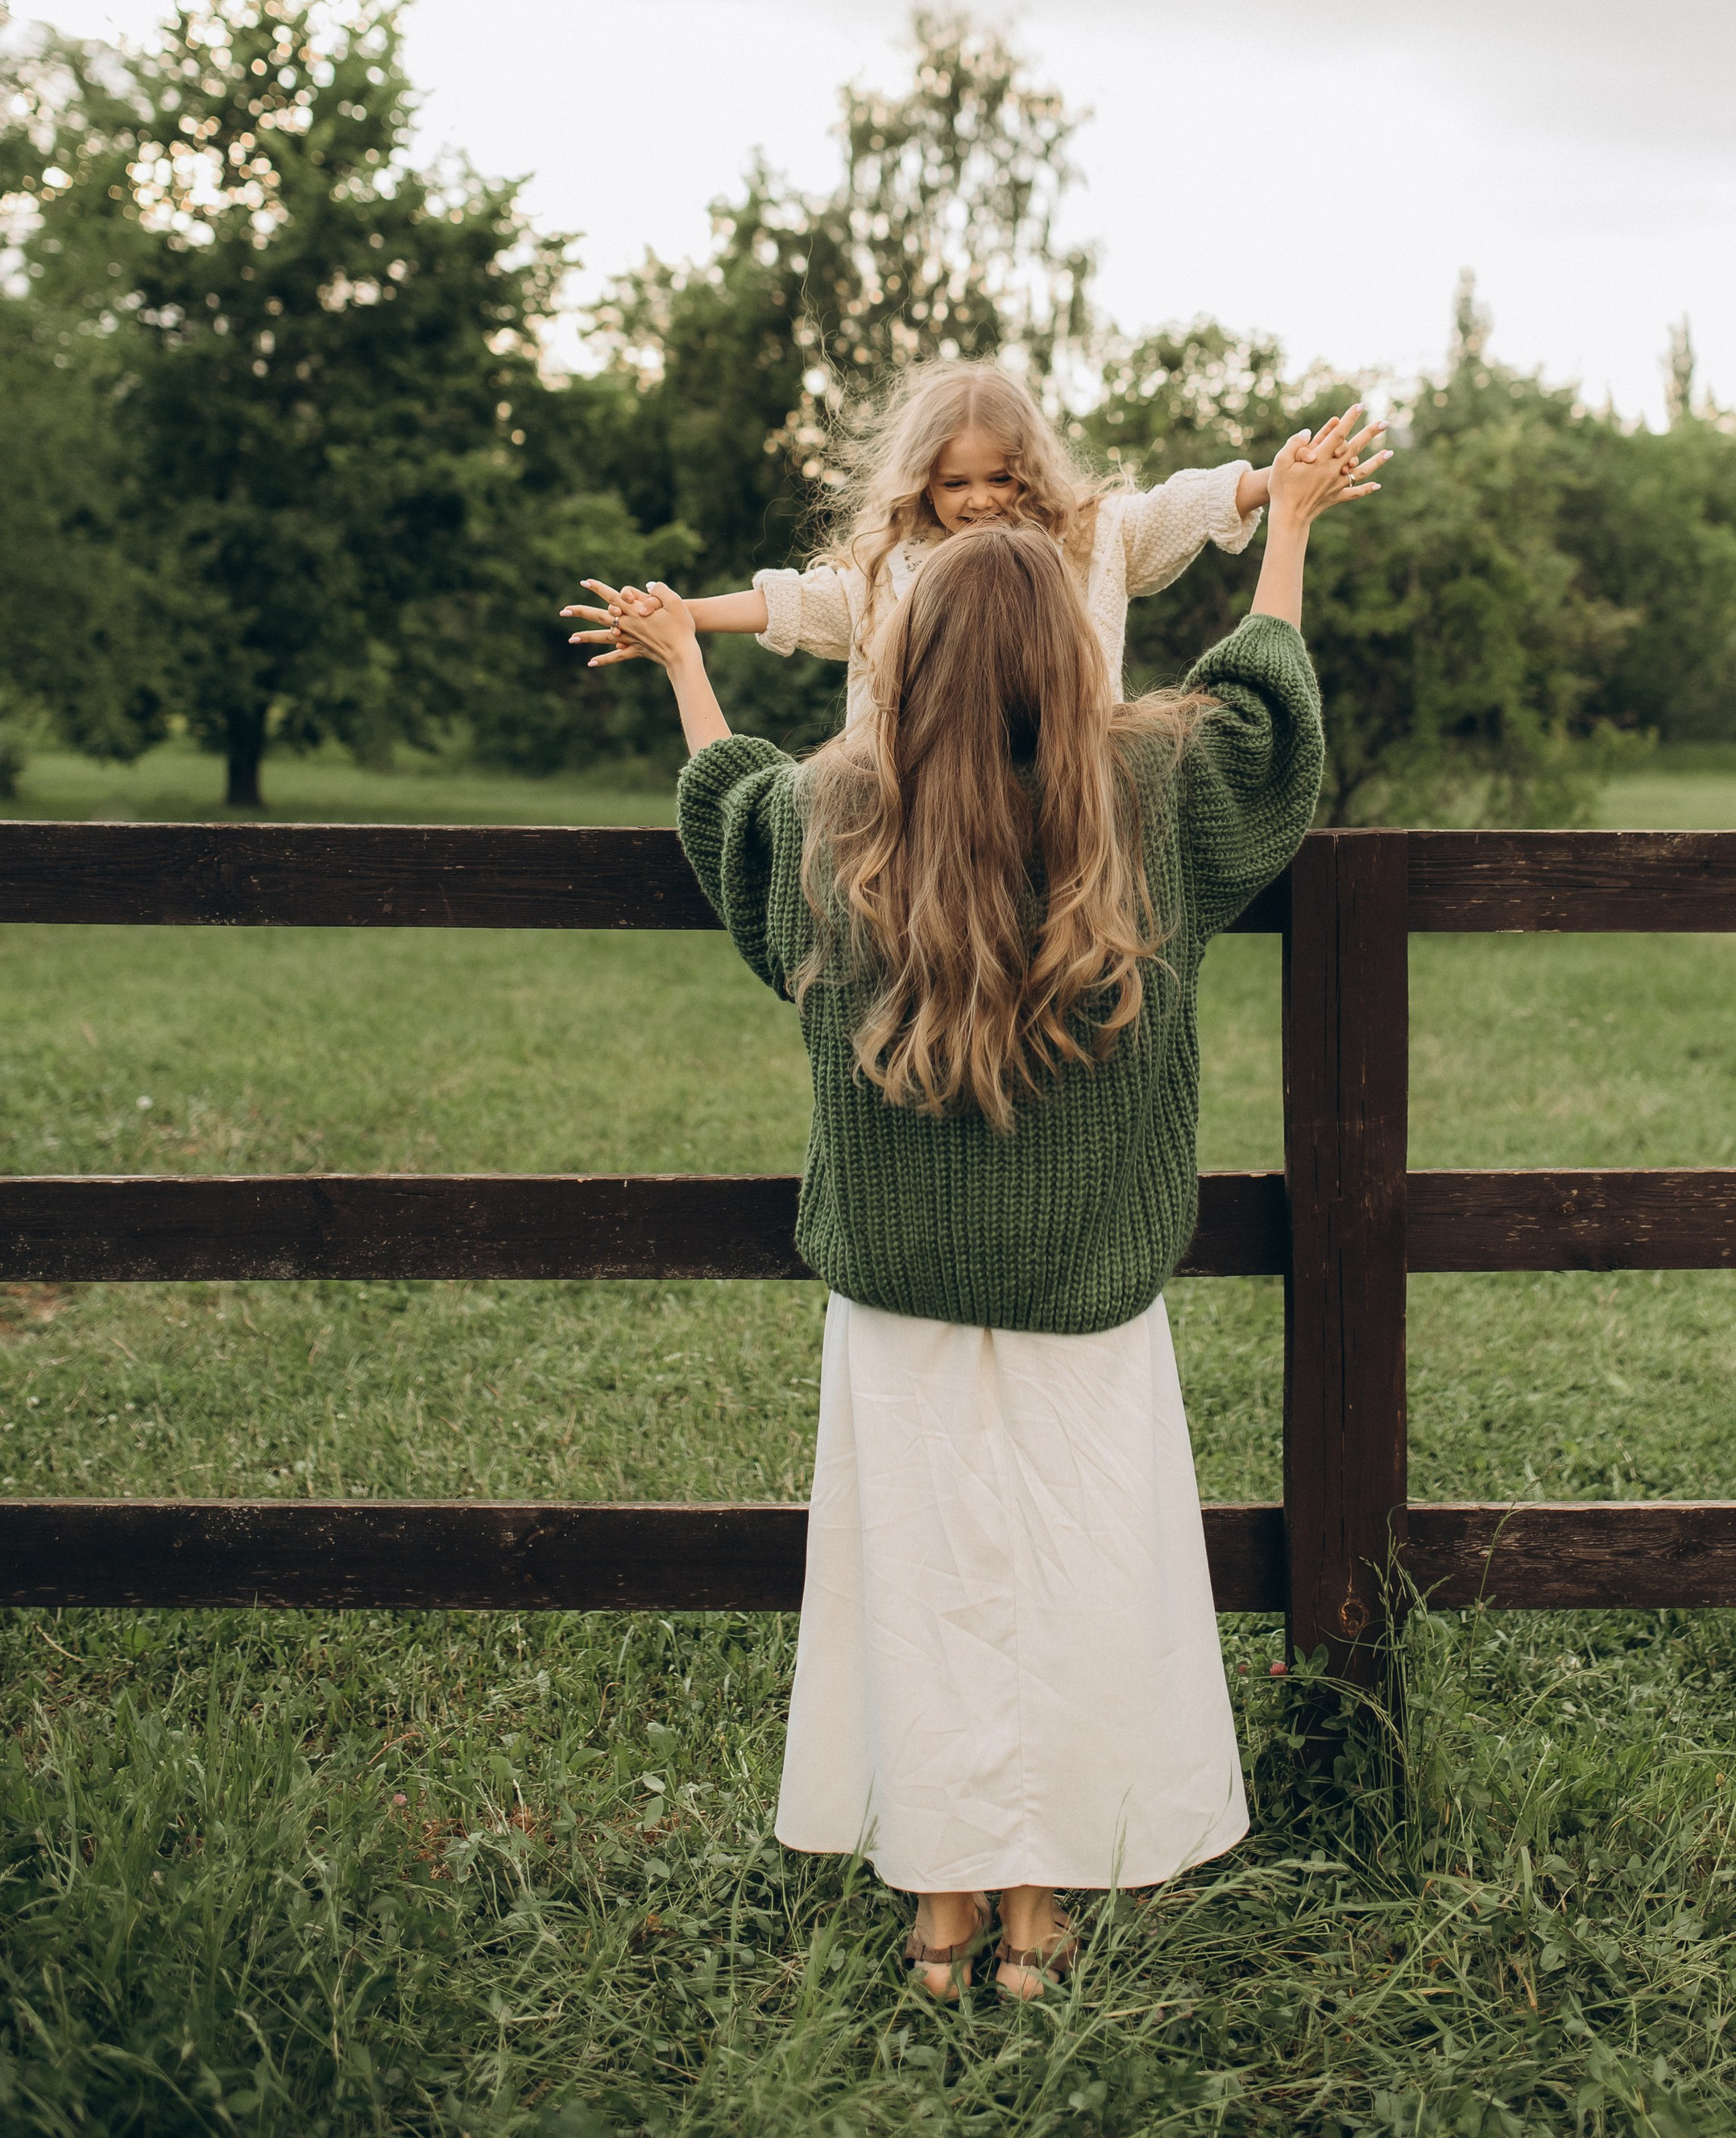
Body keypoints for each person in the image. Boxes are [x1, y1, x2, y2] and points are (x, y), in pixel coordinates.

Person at [564, 412, 1378, 1999]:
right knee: (1079, 1592)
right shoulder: (1155, 792)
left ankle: (938, 1912)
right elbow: (1274, 726)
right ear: (1072, 659)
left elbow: (722, 807)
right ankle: (1033, 1920)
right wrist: (1284, 526)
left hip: (898, 1300)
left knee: (924, 1599)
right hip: (1091, 1289)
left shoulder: (825, 818)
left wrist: (682, 667)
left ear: (907, 655)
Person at [617, 358, 1378, 727]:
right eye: (955, 486)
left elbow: (1174, 507)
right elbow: (790, 601)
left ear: (1030, 469)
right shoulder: (892, 568)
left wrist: (1271, 487)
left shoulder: (1089, 540)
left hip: (1070, 801)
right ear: (922, 484)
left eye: (1001, 478)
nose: (979, 500)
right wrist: (679, 614)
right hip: (917, 817)